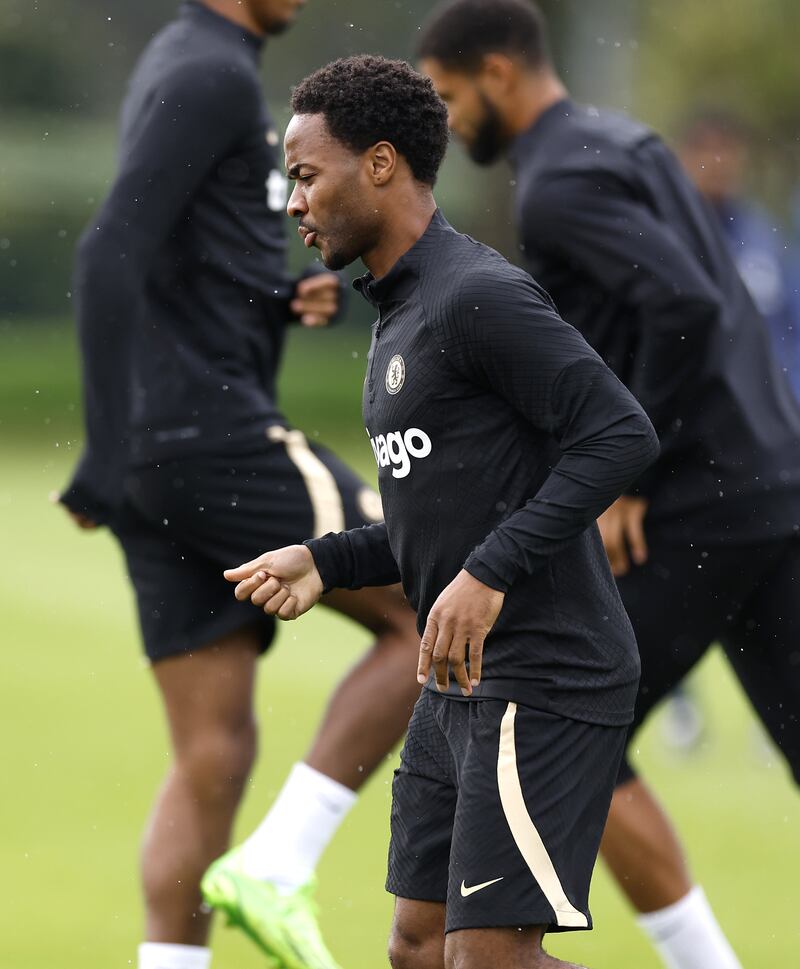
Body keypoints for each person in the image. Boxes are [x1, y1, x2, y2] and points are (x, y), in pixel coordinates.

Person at [223, 53, 660, 969]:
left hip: (546, 672)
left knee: (487, 960)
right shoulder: (399, 314)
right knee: (420, 950)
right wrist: (329, 559)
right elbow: (450, 520)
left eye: (306, 176)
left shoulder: (478, 294)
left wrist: (491, 572)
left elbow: (620, 433)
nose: (293, 202)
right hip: (454, 680)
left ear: (379, 164)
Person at [416, 2, 800, 968]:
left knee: (564, 699)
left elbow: (682, 301)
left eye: (451, 99)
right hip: (773, 484)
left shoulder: (554, 185)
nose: (450, 125)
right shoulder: (625, 140)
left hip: (697, 502)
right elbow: (691, 300)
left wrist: (635, 469)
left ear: (498, 74)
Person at [56, 4, 423, 969]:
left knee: (212, 753)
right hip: (215, 441)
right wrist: (96, 447)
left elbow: (179, 257)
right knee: (438, 597)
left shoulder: (187, 61)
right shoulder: (212, 70)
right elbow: (108, 251)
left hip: (161, 460)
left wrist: (269, 302)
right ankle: (282, 860)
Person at [678, 110, 800, 401]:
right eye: (705, 149)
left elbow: (792, 321)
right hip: (702, 411)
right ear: (682, 157)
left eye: (727, 149)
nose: (718, 162)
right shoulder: (670, 237)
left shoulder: (764, 235)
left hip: (776, 408)